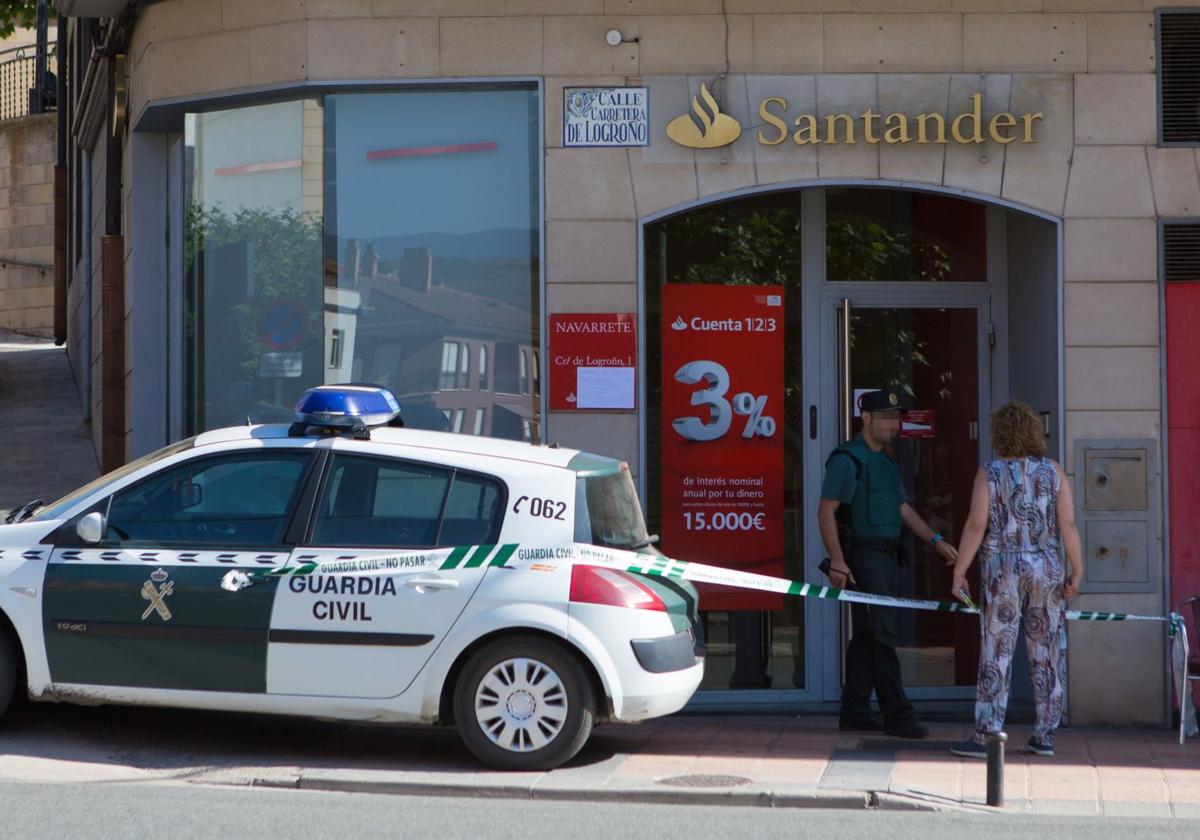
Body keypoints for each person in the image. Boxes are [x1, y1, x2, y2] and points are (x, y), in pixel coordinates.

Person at [818, 390, 959, 739]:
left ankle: (854, 711)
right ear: (865, 418)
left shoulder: (884, 459)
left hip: (887, 558)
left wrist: (936, 541)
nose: (893, 424)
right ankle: (898, 715)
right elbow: (826, 510)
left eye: (896, 417)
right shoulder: (848, 459)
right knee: (882, 637)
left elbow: (902, 508)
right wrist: (837, 561)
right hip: (863, 558)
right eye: (886, 416)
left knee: (867, 636)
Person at [947, 401, 1083, 759]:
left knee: (997, 650)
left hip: (1002, 572)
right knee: (1047, 651)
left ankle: (987, 735)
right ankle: (1045, 735)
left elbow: (977, 525)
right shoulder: (1054, 472)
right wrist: (1078, 569)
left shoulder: (989, 473)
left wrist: (960, 571)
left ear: (1000, 435)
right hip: (1048, 569)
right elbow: (1067, 524)